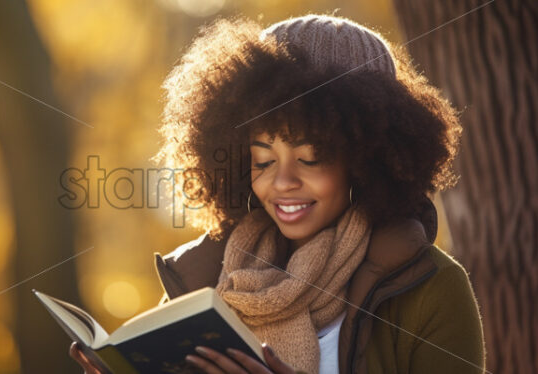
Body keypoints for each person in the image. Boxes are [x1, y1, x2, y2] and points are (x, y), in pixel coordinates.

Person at [70, 14, 485, 374]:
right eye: (263, 159)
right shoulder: (204, 280)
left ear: (368, 159)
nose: (282, 182)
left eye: (312, 156)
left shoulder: (432, 289)